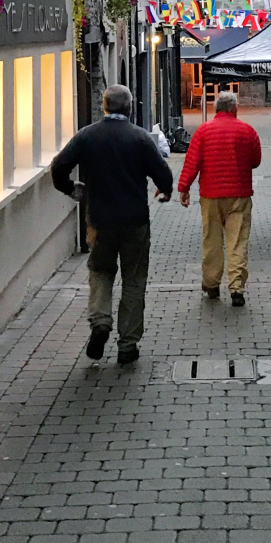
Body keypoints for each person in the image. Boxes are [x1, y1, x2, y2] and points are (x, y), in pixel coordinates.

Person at [51, 84, 173, 365]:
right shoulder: (140, 138)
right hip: (135, 221)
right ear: (129, 108)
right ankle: (128, 344)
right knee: (134, 279)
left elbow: (58, 166)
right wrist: (164, 190)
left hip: (99, 220)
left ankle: (100, 321)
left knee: (100, 271)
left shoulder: (88, 136)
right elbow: (162, 172)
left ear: (104, 107)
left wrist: (71, 188)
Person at [178, 91, 261, 306]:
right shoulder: (247, 131)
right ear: (234, 108)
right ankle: (237, 288)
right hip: (239, 194)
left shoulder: (203, 131)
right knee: (238, 242)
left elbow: (192, 161)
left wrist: (183, 188)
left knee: (211, 240)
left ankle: (212, 284)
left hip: (210, 194)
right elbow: (255, 161)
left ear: (216, 109)